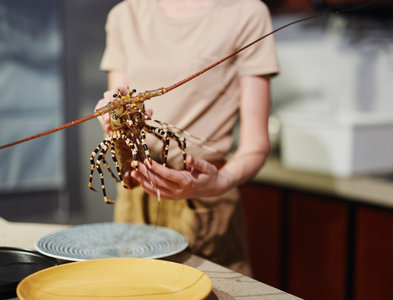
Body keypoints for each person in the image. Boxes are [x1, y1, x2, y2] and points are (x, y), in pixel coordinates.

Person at [96, 0, 279, 276]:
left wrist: (222, 182)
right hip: (136, 192)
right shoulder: (125, 15)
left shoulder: (247, 13)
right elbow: (117, 102)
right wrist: (110, 115)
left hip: (204, 193)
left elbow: (256, 142)